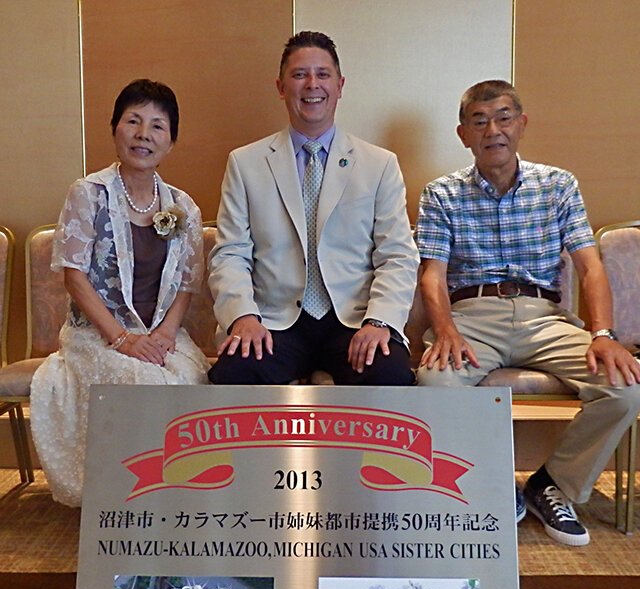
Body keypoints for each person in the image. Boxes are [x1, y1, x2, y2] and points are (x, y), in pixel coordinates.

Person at [415, 80, 640, 547]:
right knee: (435, 383)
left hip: (545, 315)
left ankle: (551, 485)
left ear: (521, 125)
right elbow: (432, 276)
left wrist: (603, 333)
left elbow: (589, 266)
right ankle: (489, 481)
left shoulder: (558, 185)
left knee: (625, 387)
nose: (492, 130)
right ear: (463, 134)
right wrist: (444, 332)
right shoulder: (442, 193)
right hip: (473, 315)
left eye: (503, 118)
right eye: (479, 121)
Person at [30, 79, 209, 507]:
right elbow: (74, 276)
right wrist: (122, 339)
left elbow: (186, 283)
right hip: (98, 335)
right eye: (133, 120)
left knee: (192, 380)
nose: (143, 133)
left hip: (158, 334)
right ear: (115, 129)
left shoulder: (181, 206)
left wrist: (165, 335)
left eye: (157, 126)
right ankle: (126, 502)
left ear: (171, 141)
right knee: (141, 380)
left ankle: (181, 500)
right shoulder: (88, 194)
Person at [207, 30, 418, 386]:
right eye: (299, 74)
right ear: (280, 86)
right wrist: (243, 315)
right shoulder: (246, 163)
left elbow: (397, 254)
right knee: (235, 372)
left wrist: (379, 321)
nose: (312, 85)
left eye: (323, 74)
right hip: (274, 321)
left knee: (390, 372)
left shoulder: (378, 164)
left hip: (353, 321)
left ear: (340, 85)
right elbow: (229, 253)